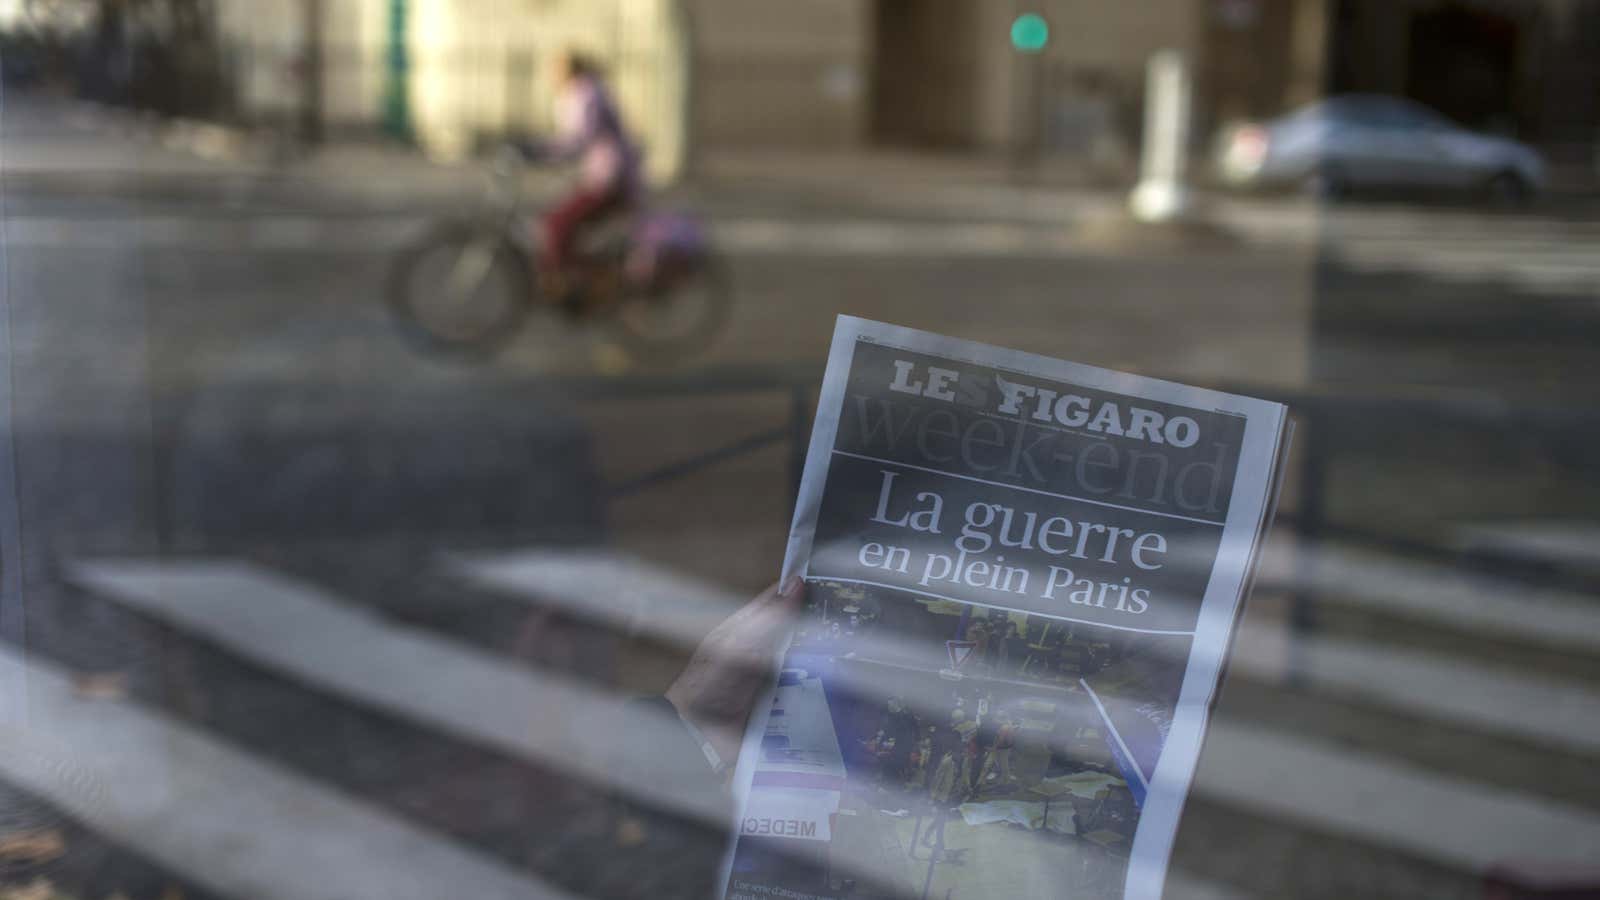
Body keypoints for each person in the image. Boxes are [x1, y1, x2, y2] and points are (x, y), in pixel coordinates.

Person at [525, 47, 642, 304]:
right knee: (562, 225)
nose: (550, 75)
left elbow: (577, 141)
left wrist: (535, 152)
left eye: (555, 68)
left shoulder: (587, 94)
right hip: (603, 177)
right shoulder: (585, 92)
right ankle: (574, 282)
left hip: (610, 180)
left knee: (557, 226)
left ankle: (577, 283)